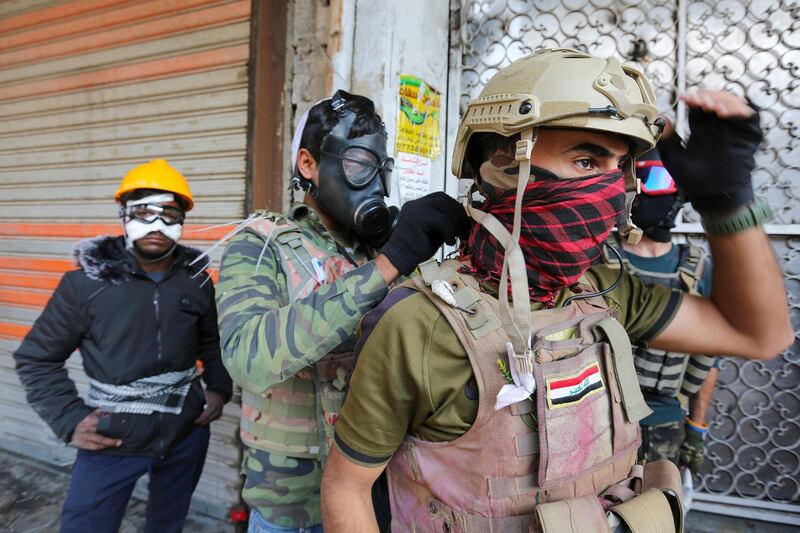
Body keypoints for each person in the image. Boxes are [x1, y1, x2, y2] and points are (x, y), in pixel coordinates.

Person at [320, 49, 793, 532]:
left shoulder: (603, 295)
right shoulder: (419, 324)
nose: (608, 187)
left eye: (617, 167)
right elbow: (348, 486)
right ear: (504, 164)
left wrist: (726, 203)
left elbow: (759, 335)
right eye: (586, 159)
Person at [215, 90, 468, 532]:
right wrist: (386, 267)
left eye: (381, 169)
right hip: (294, 510)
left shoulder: (376, 251)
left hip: (378, 493)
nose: (375, 184)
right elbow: (247, 358)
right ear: (308, 165)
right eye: (357, 164)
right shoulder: (262, 244)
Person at [13, 159, 233, 533]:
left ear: (182, 221)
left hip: (186, 430)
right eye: (144, 213)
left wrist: (217, 389)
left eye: (169, 214)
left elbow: (212, 340)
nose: (157, 225)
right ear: (123, 216)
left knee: (168, 524)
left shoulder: (196, 281)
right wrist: (69, 419)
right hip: (112, 437)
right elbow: (36, 358)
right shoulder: (85, 285)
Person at [600, 150, 720, 474]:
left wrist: (696, 428)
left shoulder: (696, 270)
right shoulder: (600, 260)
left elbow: (707, 360)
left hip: (666, 424)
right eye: (634, 181)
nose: (639, 192)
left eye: (655, 180)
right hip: (602, 423)